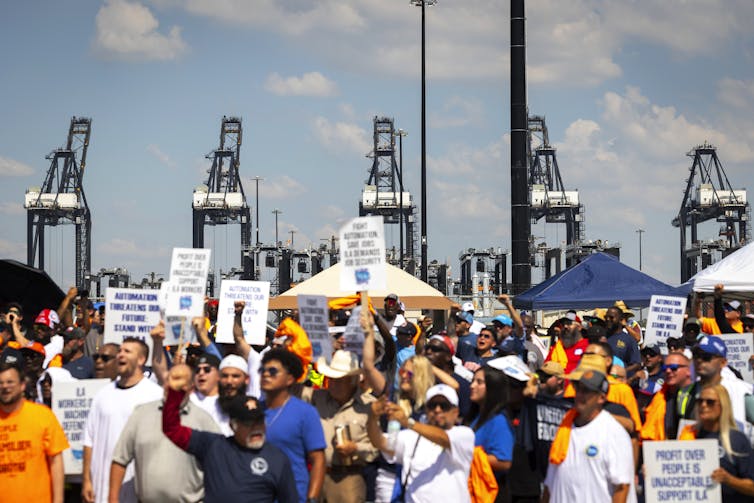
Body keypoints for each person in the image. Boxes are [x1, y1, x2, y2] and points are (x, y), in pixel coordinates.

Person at [162, 364, 298, 502]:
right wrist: (175, 393)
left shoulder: (277, 458)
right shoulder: (212, 446)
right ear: (233, 425)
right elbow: (172, 429)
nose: (256, 428)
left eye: (259, 421)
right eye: (248, 423)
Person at [109, 365, 221, 502]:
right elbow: (120, 459)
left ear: (191, 388)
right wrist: (113, 499)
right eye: (169, 379)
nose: (172, 385)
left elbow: (220, 466)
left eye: (179, 380)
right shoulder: (141, 414)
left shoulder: (204, 421)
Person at [82, 338, 163, 503]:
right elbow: (88, 440)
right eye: (120, 351)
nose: (121, 355)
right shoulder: (102, 394)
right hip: (99, 490)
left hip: (136, 491)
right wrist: (86, 480)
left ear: (141, 359)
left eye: (127, 351)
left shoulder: (155, 395)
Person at [367, 384, 475, 502]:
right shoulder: (412, 436)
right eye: (432, 405)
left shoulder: (464, 434)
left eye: (444, 406)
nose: (437, 410)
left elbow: (444, 438)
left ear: (455, 412)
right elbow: (381, 442)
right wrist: (373, 417)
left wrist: (407, 422)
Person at [543, 365, 635, 503]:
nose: (579, 395)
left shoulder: (613, 432)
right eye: (578, 389)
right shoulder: (565, 427)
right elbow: (550, 483)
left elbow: (621, 488)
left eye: (586, 391)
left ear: (601, 398)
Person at [303, 350, 377, 503]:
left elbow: (377, 448)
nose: (333, 383)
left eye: (339, 380)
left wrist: (356, 448)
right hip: (316, 476)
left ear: (352, 381)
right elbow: (289, 389)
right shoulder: (316, 398)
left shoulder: (369, 406)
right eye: (331, 378)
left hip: (349, 479)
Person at [260, 348, 326, 503]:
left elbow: (318, 460)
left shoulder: (305, 413)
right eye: (262, 370)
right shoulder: (253, 410)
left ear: (289, 379)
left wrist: (312, 499)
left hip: (293, 496)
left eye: (273, 371)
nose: (265, 374)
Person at [0, 363, 69, 503]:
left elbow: (56, 461)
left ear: (22, 385)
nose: (5, 387)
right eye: (0, 383)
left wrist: (58, 500)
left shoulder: (43, 415)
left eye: (10, 382)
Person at [679, 384, 754, 502]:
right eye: (700, 401)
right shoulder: (688, 435)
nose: (703, 405)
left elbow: (752, 487)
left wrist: (729, 480)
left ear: (723, 406)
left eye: (710, 402)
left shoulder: (737, 440)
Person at [468, 365, 513, 500]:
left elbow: (504, 461)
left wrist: (470, 455)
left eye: (479, 382)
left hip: (490, 494)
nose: (472, 386)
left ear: (493, 388)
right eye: (473, 381)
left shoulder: (499, 421)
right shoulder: (475, 418)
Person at [642, 352, 697, 441]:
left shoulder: (699, 394)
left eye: (673, 368)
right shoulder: (658, 396)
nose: (668, 371)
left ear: (688, 371)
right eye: (665, 368)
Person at [604, 306, 641, 377]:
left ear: (621, 319)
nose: (608, 319)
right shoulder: (601, 337)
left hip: (620, 381)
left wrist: (621, 371)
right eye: (606, 317)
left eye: (611, 317)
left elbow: (636, 364)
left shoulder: (629, 340)